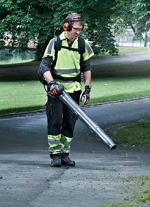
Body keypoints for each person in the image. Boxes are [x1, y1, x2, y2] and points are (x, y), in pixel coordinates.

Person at [38, 13, 94, 167]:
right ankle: (55, 155)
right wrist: (52, 83)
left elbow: (86, 68)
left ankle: (65, 154)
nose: (78, 32)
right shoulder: (54, 43)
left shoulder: (82, 45)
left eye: (80, 29)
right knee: (55, 121)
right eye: (75, 29)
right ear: (66, 26)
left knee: (70, 122)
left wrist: (87, 89)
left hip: (74, 90)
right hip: (57, 91)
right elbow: (44, 67)